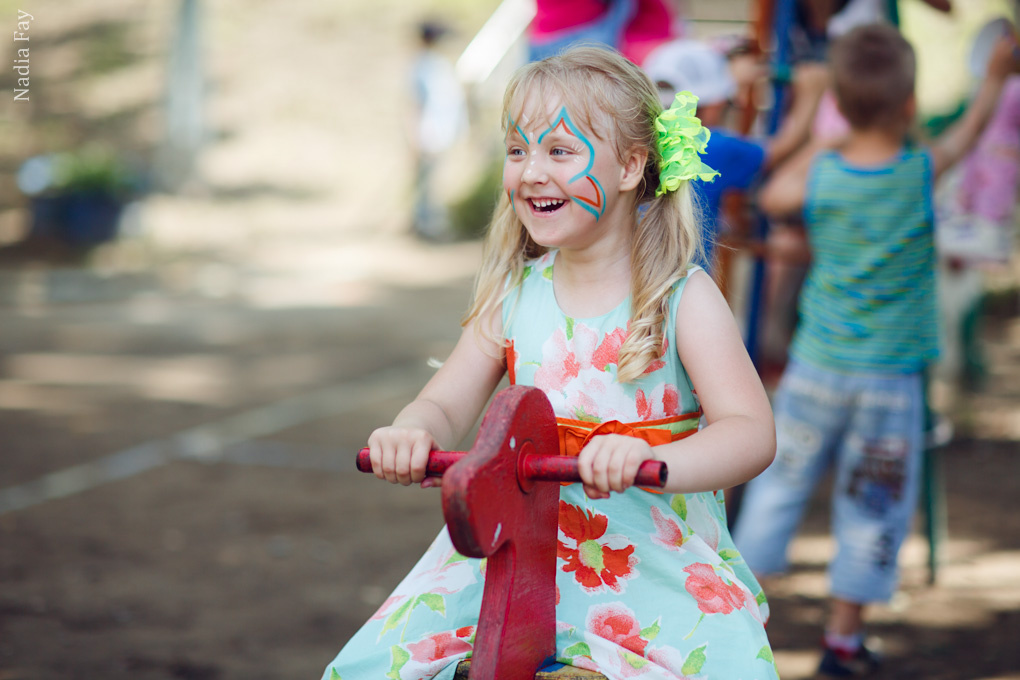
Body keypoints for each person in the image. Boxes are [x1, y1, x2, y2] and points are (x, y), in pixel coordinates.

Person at [322, 45, 779, 679]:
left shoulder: (681, 298)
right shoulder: (513, 294)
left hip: (647, 558)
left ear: (630, 166)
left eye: (558, 151)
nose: (531, 172)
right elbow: (445, 401)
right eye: (517, 150)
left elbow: (751, 432)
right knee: (366, 669)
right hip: (511, 553)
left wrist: (654, 463)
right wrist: (412, 431)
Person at [731, 23, 1019, 678]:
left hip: (816, 371)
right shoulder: (918, 170)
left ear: (838, 100)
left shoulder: (826, 173)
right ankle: (840, 642)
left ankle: (737, 617)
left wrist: (823, 137)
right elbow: (969, 133)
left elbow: (773, 198)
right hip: (889, 382)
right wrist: (995, 79)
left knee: (779, 488)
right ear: (909, 107)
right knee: (873, 504)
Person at [642, 39, 829, 270]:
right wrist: (813, 94)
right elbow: (780, 148)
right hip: (683, 290)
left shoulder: (639, 138)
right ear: (713, 105)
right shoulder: (710, 145)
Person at [408, 20, 468, 241]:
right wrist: (415, 136)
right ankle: (424, 225)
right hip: (428, 133)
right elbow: (416, 104)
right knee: (427, 183)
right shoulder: (421, 66)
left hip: (440, 132)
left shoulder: (437, 65)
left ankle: (429, 223)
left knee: (434, 181)